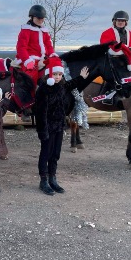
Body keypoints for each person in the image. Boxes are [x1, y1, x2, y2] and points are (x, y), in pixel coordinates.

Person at [35, 57, 89, 195]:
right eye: (55, 74)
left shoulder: (61, 86)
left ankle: (53, 178)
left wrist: (81, 77)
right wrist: (43, 131)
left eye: (59, 74)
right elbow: (40, 113)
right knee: (46, 153)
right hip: (47, 128)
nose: (58, 77)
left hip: (59, 126)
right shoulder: (43, 90)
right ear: (49, 74)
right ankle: (43, 181)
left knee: (55, 154)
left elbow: (71, 84)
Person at [14, 4, 58, 102]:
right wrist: (27, 60)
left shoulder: (44, 31)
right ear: (32, 17)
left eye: (42, 18)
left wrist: (52, 54)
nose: (41, 20)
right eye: (39, 18)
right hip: (29, 59)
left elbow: (49, 45)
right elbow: (21, 47)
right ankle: (28, 101)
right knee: (30, 76)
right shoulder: (26, 31)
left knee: (56, 71)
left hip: (42, 59)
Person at [99, 10, 131, 104]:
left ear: (125, 22)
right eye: (118, 21)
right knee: (112, 72)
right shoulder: (107, 32)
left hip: (126, 57)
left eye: (122, 21)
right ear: (114, 22)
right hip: (112, 57)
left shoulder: (129, 33)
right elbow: (106, 45)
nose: (120, 22)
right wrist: (120, 49)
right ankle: (106, 94)